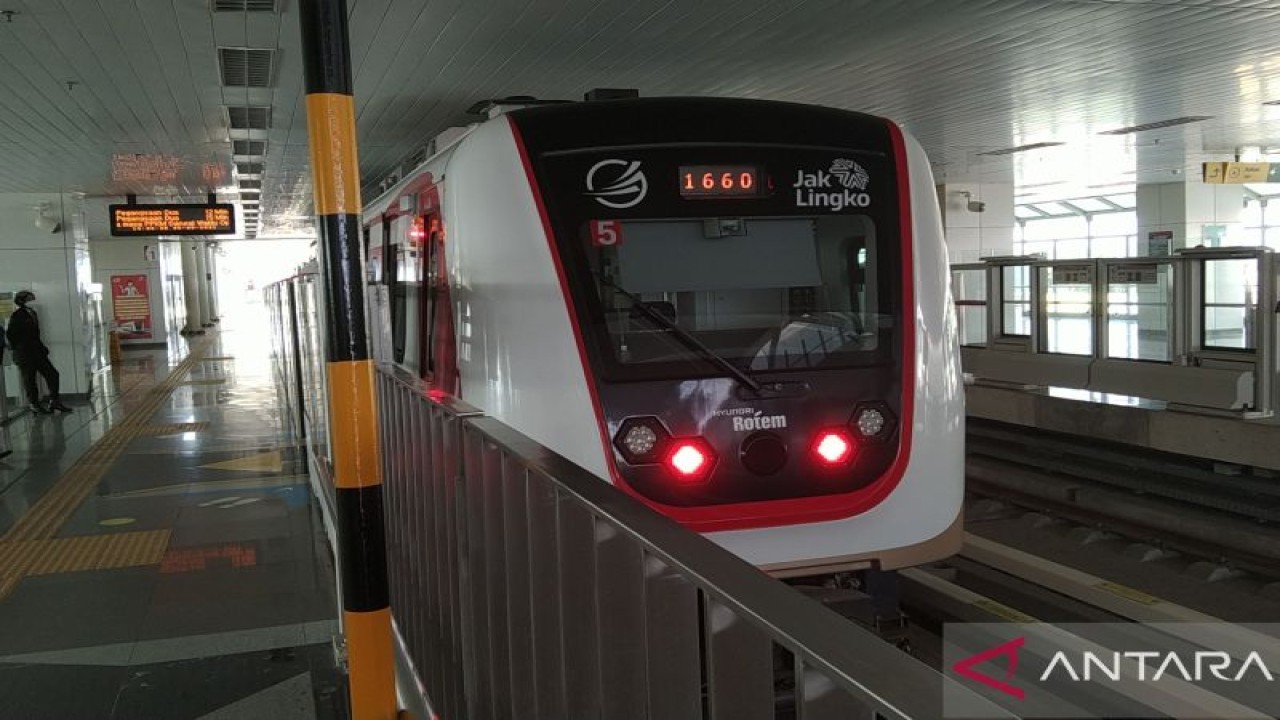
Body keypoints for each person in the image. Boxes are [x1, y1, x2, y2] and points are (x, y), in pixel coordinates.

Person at [5, 290, 72, 414]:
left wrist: (41, 347)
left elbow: (35, 334)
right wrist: (18, 348)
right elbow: (11, 335)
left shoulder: (32, 313)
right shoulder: (17, 315)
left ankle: (54, 401)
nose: (31, 301)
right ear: (21, 301)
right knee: (30, 379)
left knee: (52, 374)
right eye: (28, 299)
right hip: (25, 353)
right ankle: (34, 404)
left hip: (37, 352)